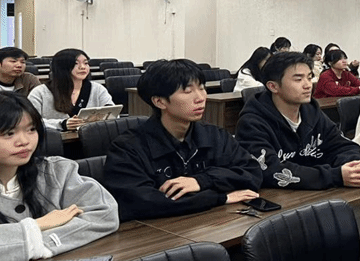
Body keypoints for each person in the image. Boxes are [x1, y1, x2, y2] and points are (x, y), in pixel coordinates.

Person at [103, 60, 262, 222]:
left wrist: (201, 181)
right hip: (157, 231)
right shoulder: (128, 148)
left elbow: (252, 172)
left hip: (209, 223)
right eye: (187, 91)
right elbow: (142, 203)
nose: (200, 98)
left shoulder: (215, 136)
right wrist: (219, 197)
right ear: (159, 101)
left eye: (202, 88)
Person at [0, 92, 118, 261]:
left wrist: (39, 244)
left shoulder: (55, 170)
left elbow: (104, 213)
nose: (24, 141)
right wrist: (38, 225)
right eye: (9, 133)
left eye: (31, 129)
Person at [236, 52, 360, 189]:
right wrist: (335, 176)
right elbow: (271, 171)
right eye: (298, 79)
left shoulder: (312, 112)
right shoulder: (252, 123)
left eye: (309, 77)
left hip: (316, 193)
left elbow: (343, 146)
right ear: (273, 86)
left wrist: (356, 167)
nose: (308, 85)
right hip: (278, 198)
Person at [28, 49, 114, 131]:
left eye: (86, 63)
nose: (83, 67)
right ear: (62, 67)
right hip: (54, 139)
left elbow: (114, 115)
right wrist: (62, 124)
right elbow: (30, 122)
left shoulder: (97, 89)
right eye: (76, 63)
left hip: (93, 138)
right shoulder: (39, 93)